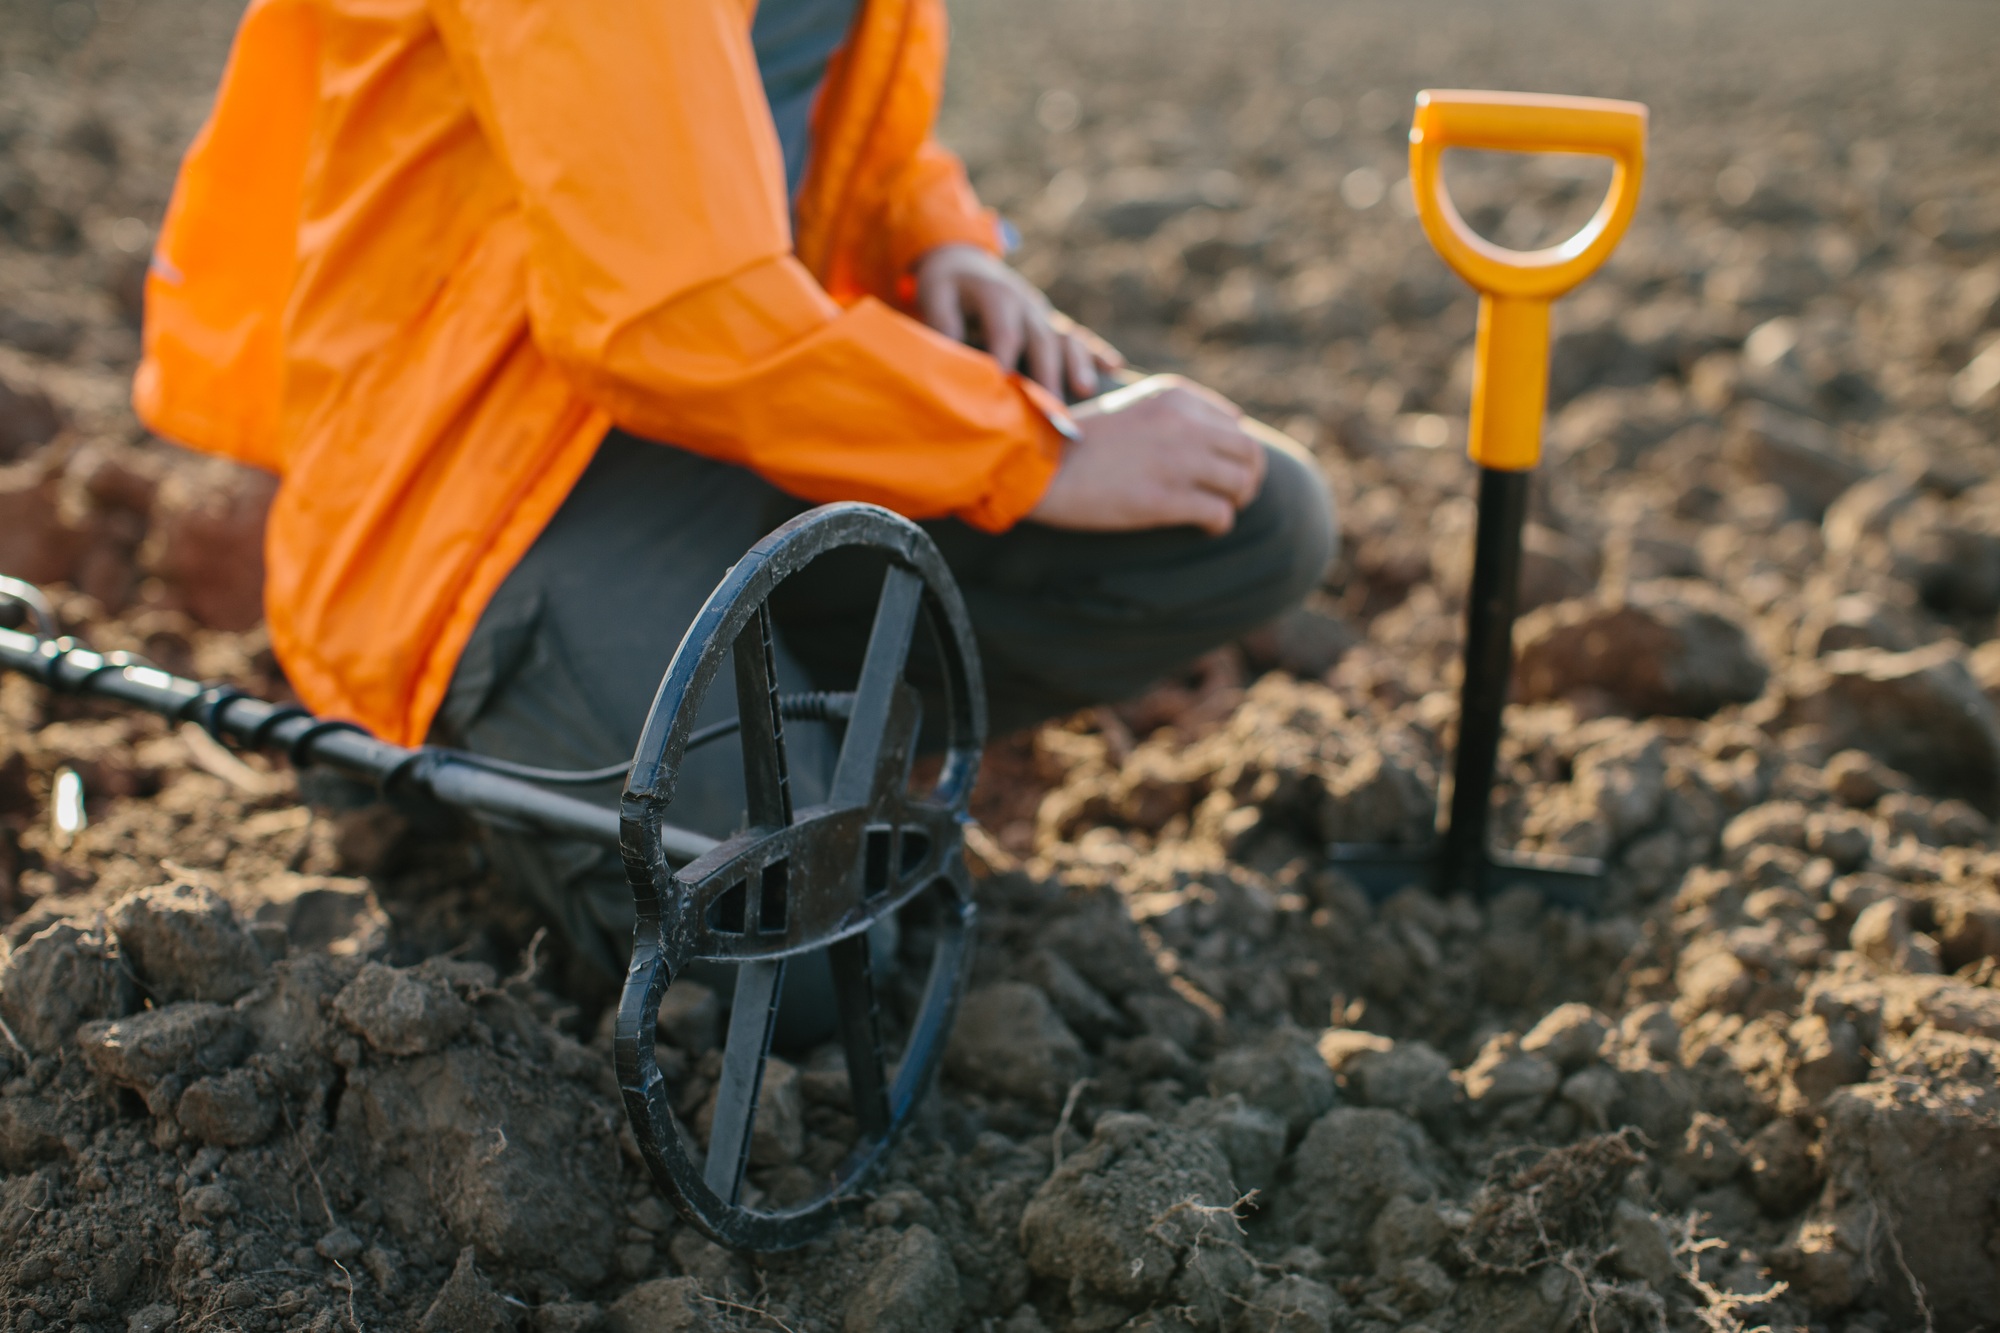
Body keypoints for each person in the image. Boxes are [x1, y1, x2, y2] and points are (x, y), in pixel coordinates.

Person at [136, 0, 1337, 979]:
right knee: (792, 954)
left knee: (1243, 518)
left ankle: (772, 729)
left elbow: (786, 83)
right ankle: (479, 735)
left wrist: (937, 234)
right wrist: (1038, 456)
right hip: (496, 487)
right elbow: (661, 311)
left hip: (752, 393)